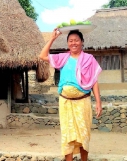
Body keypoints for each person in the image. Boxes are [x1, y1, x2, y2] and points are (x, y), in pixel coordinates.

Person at [39, 28, 102, 161]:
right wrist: (52, 39)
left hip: (83, 101)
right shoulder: (63, 57)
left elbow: (94, 81)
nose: (74, 43)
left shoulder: (89, 59)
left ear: (82, 42)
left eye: (76, 40)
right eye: (71, 41)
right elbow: (42, 56)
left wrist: (98, 102)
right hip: (66, 102)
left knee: (83, 133)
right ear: (67, 43)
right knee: (67, 134)